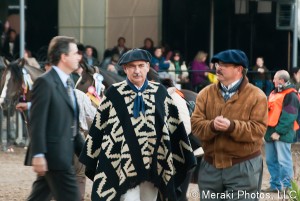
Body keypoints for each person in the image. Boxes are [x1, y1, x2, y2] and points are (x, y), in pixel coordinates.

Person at [79, 48, 196, 201]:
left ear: (148, 67)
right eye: (132, 66)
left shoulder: (160, 92)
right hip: (123, 166)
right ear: (125, 69)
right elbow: (100, 128)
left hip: (155, 165)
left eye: (141, 65)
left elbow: (173, 128)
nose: (137, 70)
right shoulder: (114, 93)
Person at [191, 49, 268, 201]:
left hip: (243, 167)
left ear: (239, 69)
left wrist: (232, 127)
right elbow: (196, 126)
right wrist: (212, 126)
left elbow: (258, 130)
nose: (218, 68)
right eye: (218, 64)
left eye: (224, 65)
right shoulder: (204, 94)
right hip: (210, 167)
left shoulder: (257, 96)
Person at [26, 36, 84, 201]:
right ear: (64, 57)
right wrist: (38, 154)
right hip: (56, 158)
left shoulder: (68, 83)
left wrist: (88, 153)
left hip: (61, 155)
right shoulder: (45, 82)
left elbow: (71, 125)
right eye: (75, 53)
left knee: (38, 197)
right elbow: (37, 121)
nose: (79, 57)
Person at [262, 70, 299, 193]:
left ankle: (288, 187)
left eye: (275, 78)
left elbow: (289, 116)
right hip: (270, 132)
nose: (273, 80)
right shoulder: (274, 92)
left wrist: (278, 132)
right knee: (270, 160)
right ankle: (276, 186)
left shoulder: (291, 95)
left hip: (282, 133)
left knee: (284, 161)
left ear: (281, 81)